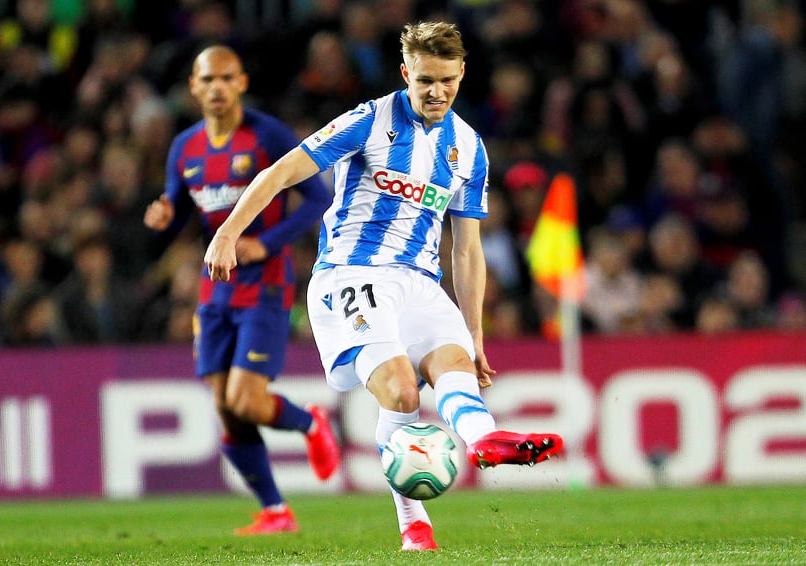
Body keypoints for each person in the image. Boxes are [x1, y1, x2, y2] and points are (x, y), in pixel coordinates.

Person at [203, 22, 564, 551]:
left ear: (462, 73)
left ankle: (485, 441)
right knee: (400, 388)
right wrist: (229, 232)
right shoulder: (369, 121)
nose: (436, 92)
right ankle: (412, 520)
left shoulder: (470, 147)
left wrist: (475, 334)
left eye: (446, 80)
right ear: (405, 75)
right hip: (352, 272)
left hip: (420, 281)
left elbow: (465, 249)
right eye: (424, 82)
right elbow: (281, 172)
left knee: (455, 368)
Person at [143, 45, 338, 536]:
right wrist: (166, 214)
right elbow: (181, 205)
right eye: (207, 80)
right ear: (193, 86)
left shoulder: (267, 135)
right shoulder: (184, 147)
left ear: (242, 83)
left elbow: (318, 197)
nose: (216, 88)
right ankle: (276, 510)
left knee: (247, 400)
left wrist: (264, 243)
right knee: (225, 408)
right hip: (215, 287)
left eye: (226, 78)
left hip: (266, 284)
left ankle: (311, 423)